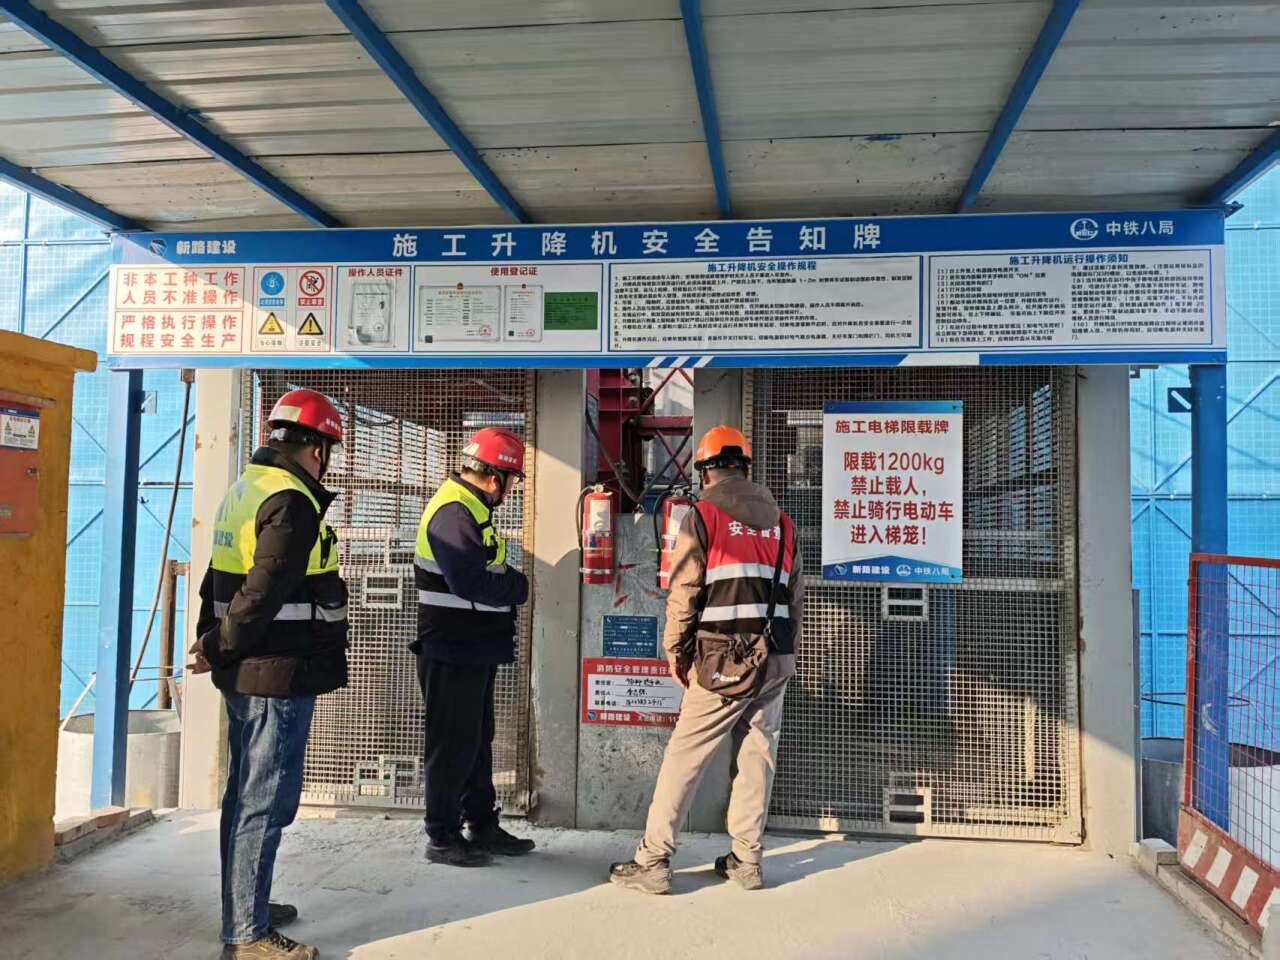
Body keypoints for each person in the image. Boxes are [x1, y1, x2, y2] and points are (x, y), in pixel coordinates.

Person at [190, 388, 349, 960]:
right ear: (317, 449)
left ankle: (246, 904)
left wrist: (212, 641)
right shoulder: (291, 501)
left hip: (252, 670)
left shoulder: (247, 488)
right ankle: (247, 934)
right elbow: (262, 593)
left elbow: (216, 578)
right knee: (265, 800)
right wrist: (219, 646)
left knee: (247, 795)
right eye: (328, 451)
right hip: (275, 672)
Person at [610, 425, 803, 894]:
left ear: (705, 471)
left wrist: (675, 651)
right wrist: (786, 654)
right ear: (745, 468)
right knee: (758, 755)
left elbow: (685, 591)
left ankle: (653, 860)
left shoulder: (702, 515)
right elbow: (796, 598)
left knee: (686, 756)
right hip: (774, 658)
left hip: (722, 661)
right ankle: (747, 861)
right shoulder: (782, 522)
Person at [413, 426, 535, 866]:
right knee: (452, 744)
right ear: (494, 477)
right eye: (512, 480)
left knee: (476, 741)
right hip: (453, 647)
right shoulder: (454, 512)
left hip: (471, 646)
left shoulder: (469, 509)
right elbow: (470, 581)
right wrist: (518, 587)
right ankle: (442, 835)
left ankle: (481, 824)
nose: (512, 489)